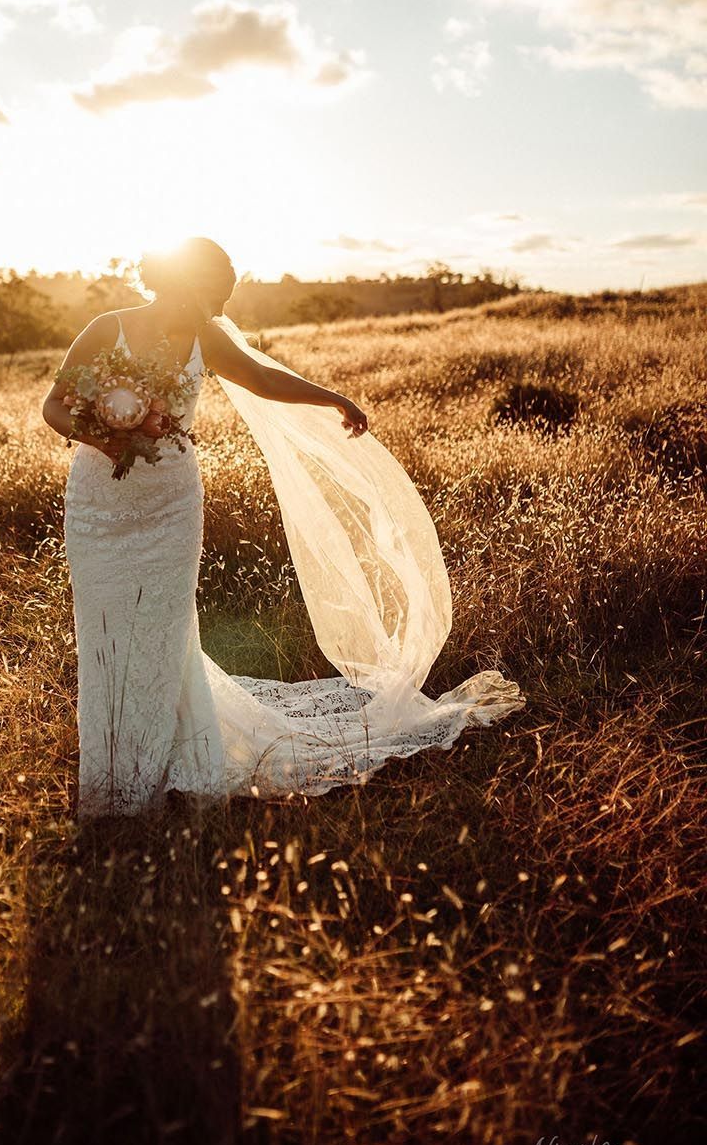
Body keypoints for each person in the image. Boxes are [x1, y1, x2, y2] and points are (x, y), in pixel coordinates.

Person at [42, 236, 524, 819]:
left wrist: (334, 398)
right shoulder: (105, 327)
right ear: (180, 283)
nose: (215, 311)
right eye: (209, 296)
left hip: (171, 503)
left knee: (166, 629)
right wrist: (107, 436)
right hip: (99, 505)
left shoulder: (205, 338)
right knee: (106, 630)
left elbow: (263, 381)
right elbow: (56, 407)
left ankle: (174, 765)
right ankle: (115, 775)